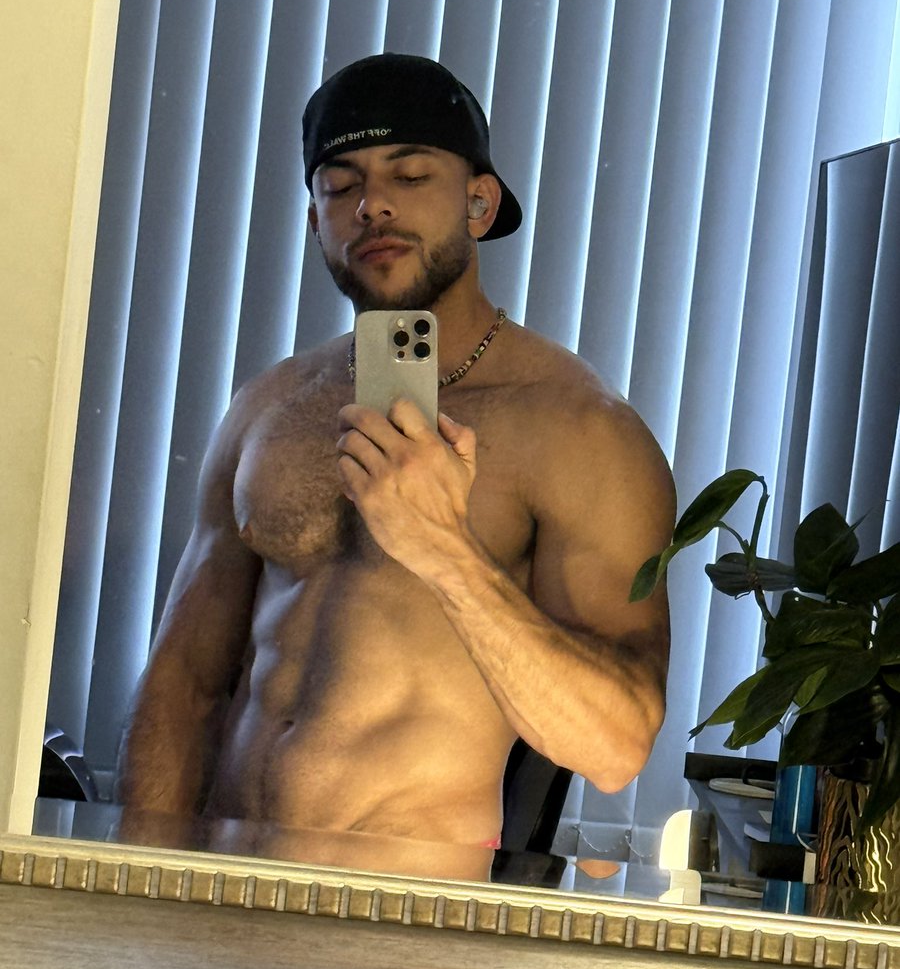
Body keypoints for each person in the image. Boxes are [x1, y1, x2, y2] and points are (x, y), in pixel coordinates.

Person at [116, 54, 675, 880]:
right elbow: (183, 684)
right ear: (315, 222)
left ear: (479, 204)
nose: (371, 204)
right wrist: (140, 890)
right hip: (225, 897)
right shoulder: (270, 406)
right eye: (339, 186)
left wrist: (444, 551)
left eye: (409, 176)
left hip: (404, 921)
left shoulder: (581, 431)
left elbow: (615, 746)